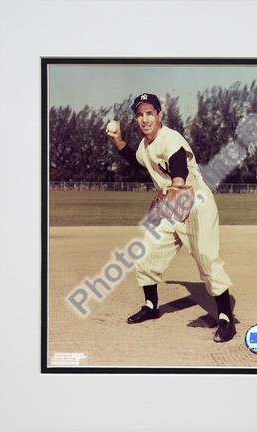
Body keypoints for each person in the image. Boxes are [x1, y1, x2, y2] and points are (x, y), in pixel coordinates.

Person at [106, 92, 235, 342]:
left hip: (195, 202)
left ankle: (226, 320)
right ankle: (151, 307)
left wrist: (175, 189)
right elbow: (137, 159)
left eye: (150, 113)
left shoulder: (170, 138)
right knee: (145, 254)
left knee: (207, 260)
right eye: (140, 114)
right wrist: (119, 140)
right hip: (172, 205)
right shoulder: (146, 146)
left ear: (159, 115)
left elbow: (178, 167)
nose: (144, 119)